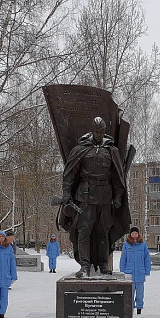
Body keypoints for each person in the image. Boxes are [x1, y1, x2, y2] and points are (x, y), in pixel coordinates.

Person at [60, 117, 129, 277]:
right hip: (85, 196)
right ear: (92, 131)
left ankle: (104, 264)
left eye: (102, 131)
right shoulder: (80, 149)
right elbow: (69, 174)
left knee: (103, 232)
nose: (99, 134)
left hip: (105, 197)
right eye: (97, 131)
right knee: (84, 232)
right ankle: (85, 265)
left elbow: (117, 176)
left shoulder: (111, 150)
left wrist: (118, 195)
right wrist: (66, 193)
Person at [119, 227, 151, 314]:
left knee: (140, 293)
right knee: (130, 293)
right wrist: (123, 271)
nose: (134, 235)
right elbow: (123, 258)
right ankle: (130, 309)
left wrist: (147, 270)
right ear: (130, 234)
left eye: (136, 233)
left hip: (140, 273)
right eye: (133, 233)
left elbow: (146, 258)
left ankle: (139, 309)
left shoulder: (143, 245)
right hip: (130, 273)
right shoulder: (126, 245)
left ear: (138, 234)